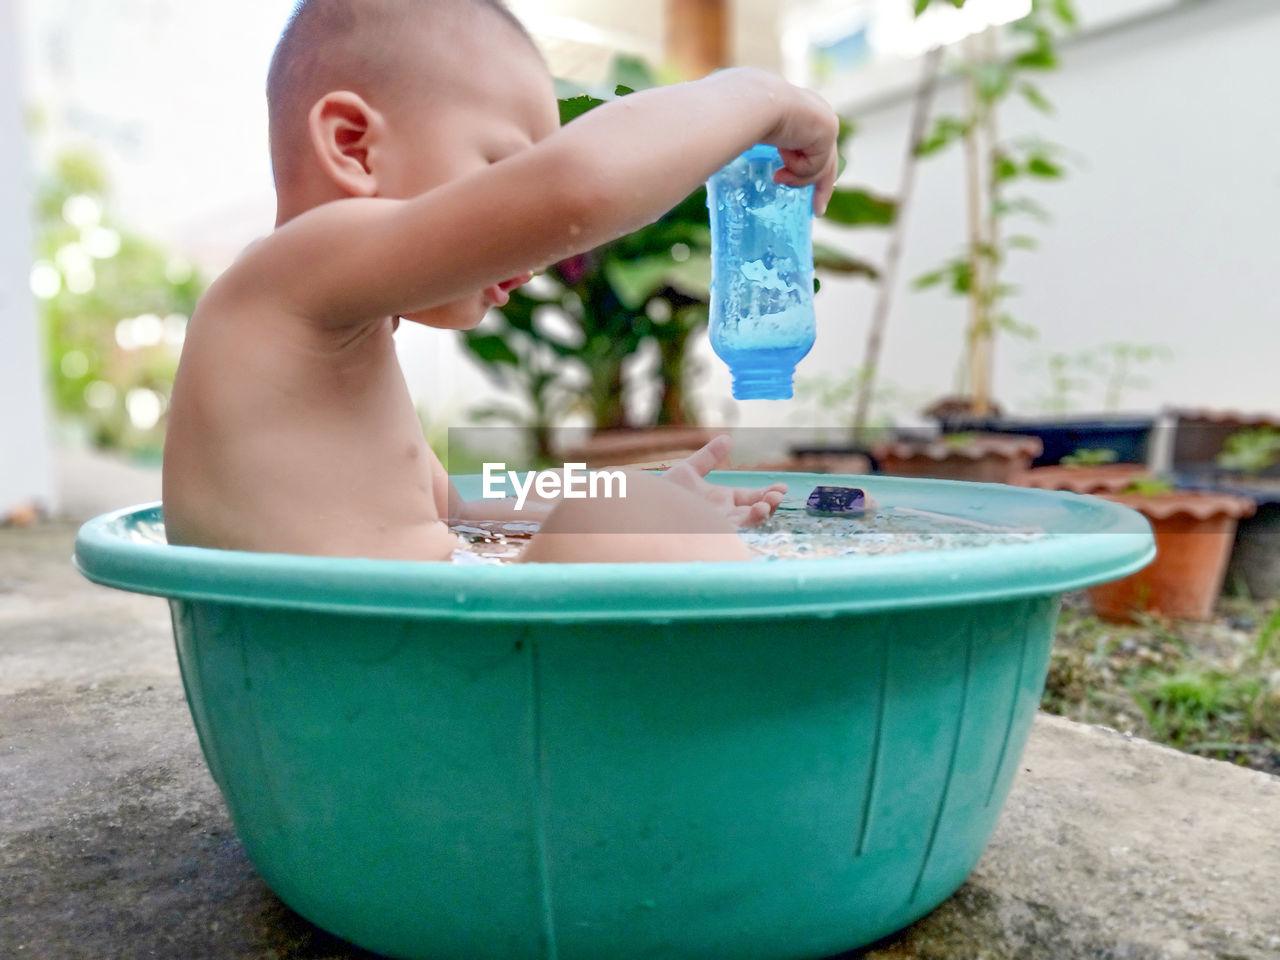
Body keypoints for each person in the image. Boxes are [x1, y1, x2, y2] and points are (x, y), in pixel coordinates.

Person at [161, 0, 840, 563]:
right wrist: (758, 97)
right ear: (353, 147)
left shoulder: (340, 344)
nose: (528, 237)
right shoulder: (289, 275)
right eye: (504, 169)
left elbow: (457, 515)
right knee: (623, 519)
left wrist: (637, 496)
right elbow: (576, 192)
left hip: (383, 671)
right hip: (357, 673)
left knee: (623, 507)